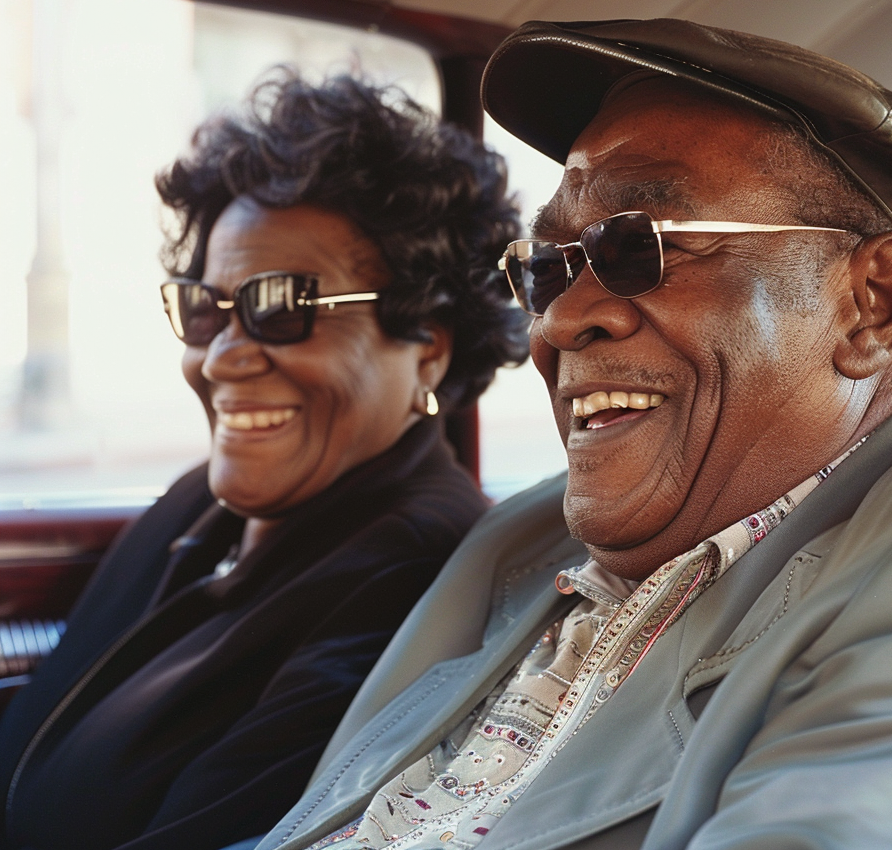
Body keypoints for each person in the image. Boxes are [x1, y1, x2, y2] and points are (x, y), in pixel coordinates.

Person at [246, 19, 892, 850]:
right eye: (548, 267)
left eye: (636, 247)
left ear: (874, 304)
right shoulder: (526, 535)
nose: (560, 322)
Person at [0, 73, 528, 850]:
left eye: (281, 308)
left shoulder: (413, 580)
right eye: (206, 308)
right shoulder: (204, 506)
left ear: (428, 348)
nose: (220, 358)